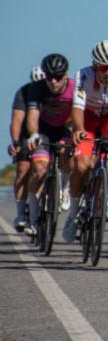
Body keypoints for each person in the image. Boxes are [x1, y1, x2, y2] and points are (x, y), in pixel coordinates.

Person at [63, 41, 108, 242]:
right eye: (104, 68)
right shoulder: (83, 75)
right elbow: (77, 107)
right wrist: (79, 128)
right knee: (81, 166)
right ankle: (73, 215)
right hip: (88, 120)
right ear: (95, 66)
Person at [25, 54, 75, 237]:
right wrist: (34, 134)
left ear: (65, 75)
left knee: (67, 154)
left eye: (58, 77)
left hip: (65, 128)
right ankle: (32, 217)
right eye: (49, 77)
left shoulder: (74, 87)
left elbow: (79, 113)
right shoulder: (37, 88)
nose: (53, 81)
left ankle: (65, 190)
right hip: (44, 130)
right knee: (39, 170)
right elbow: (32, 116)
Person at [9, 67, 46, 232]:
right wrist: (16, 142)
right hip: (27, 133)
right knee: (23, 169)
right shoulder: (24, 92)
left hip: (48, 132)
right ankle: (20, 213)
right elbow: (17, 120)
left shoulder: (54, 92)